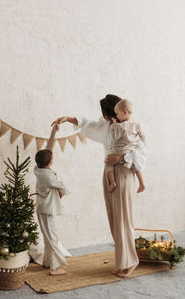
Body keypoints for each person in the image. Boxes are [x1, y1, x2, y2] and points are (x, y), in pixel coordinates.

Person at [52, 94, 141, 278]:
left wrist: (120, 157)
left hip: (124, 173)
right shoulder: (106, 126)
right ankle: (122, 261)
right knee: (114, 220)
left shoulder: (131, 127)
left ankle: (132, 261)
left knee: (124, 219)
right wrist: (68, 118)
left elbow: (141, 153)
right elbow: (88, 124)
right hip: (109, 174)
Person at [34, 123, 69, 276]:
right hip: (47, 210)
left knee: (48, 236)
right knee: (52, 237)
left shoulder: (38, 169)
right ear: (49, 162)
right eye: (52, 157)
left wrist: (53, 133)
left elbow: (49, 148)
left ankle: (47, 262)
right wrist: (61, 190)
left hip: (43, 208)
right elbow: (62, 185)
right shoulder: (47, 176)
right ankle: (54, 268)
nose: (53, 156)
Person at [106, 99, 146, 194]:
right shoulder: (137, 125)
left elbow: (115, 136)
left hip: (120, 151)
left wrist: (114, 124)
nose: (116, 116)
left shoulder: (121, 126)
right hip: (131, 150)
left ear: (124, 112)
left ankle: (113, 182)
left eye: (117, 114)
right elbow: (142, 136)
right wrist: (142, 146)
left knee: (108, 163)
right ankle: (141, 183)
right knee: (135, 166)